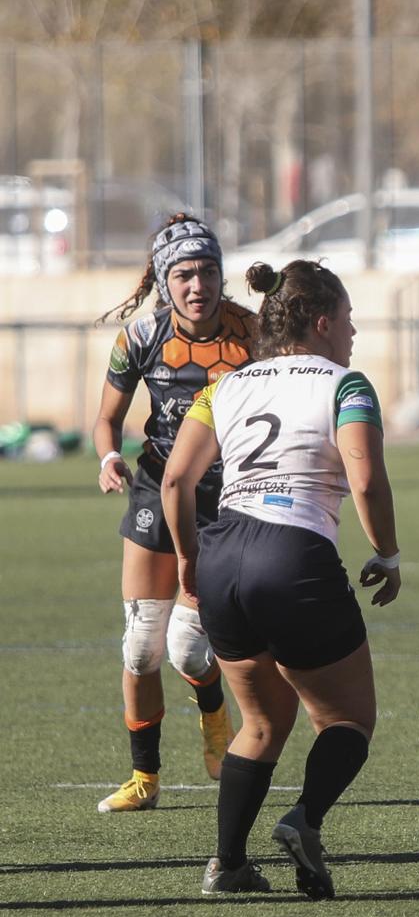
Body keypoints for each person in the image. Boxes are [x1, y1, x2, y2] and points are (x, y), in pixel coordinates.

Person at [161, 260, 395, 898]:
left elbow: (178, 481)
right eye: (348, 321)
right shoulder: (346, 383)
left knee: (261, 723)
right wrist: (388, 552)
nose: (353, 334)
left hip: (222, 556)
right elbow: (366, 478)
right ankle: (304, 819)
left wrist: (187, 558)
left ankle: (227, 864)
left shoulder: (223, 387)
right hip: (292, 554)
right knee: (347, 719)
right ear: (321, 322)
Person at [91, 216, 254, 813]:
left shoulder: (252, 335)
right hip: (156, 490)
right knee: (140, 648)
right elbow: (106, 419)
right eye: (184, 273)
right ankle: (145, 779)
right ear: (165, 281)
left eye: (208, 270)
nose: (197, 284)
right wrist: (110, 457)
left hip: (225, 502)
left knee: (188, 649)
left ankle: (216, 724)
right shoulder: (140, 337)